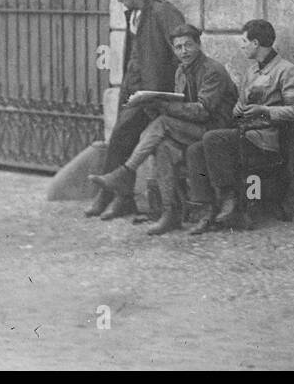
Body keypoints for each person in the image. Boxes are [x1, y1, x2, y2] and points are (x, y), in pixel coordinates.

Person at [93, 24, 237, 235]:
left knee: (163, 123)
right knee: (163, 148)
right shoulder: (181, 71)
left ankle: (126, 171)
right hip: (193, 130)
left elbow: (203, 111)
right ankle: (170, 214)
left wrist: (166, 107)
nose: (183, 51)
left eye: (188, 45)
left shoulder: (212, 70)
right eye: (178, 47)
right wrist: (154, 104)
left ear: (198, 45)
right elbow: (181, 106)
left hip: (215, 132)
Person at [184, 19, 294, 235]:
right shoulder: (251, 72)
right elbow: (238, 106)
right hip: (243, 135)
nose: (241, 46)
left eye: (244, 41)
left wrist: (265, 111)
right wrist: (239, 110)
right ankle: (207, 210)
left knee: (213, 139)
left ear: (256, 43)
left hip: (265, 140)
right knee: (195, 150)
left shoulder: (287, 71)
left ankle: (229, 200)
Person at [86, 0, 186, 221]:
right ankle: (120, 197)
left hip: (155, 93)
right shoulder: (133, 12)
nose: (118, 0)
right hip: (133, 90)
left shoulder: (163, 11)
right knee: (122, 137)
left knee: (123, 136)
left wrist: (173, 91)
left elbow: (182, 51)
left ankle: (115, 195)